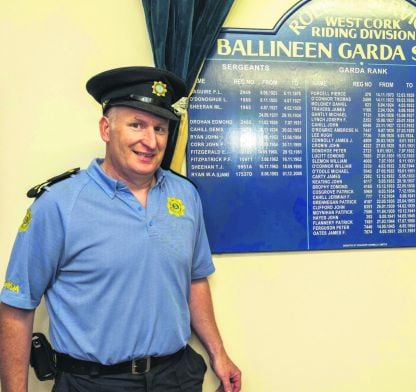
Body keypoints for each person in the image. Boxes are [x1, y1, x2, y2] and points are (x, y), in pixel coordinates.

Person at [0, 66, 242, 392]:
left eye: (160, 128)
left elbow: (195, 280)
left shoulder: (185, 196)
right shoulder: (58, 204)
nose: (150, 141)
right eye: (137, 125)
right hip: (93, 382)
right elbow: (17, 307)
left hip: (175, 377)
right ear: (106, 128)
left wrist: (219, 354)